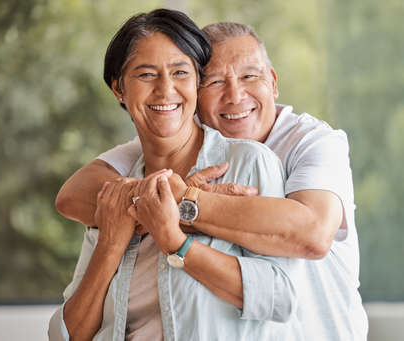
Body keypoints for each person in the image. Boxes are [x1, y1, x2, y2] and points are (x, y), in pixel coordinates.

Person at [55, 19, 368, 340]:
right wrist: (143, 203)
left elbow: (312, 235)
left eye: (250, 76)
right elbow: (73, 195)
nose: (235, 96)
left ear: (273, 82)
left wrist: (180, 206)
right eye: (215, 82)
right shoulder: (158, 149)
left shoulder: (309, 141)